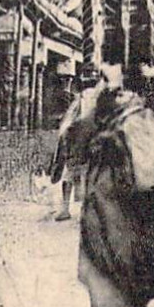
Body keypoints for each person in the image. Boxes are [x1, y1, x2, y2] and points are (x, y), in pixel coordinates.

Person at [76, 86, 154, 307]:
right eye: (122, 94)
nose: (129, 95)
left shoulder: (119, 124)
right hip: (115, 202)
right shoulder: (125, 125)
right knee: (123, 257)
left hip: (111, 199)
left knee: (115, 257)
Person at [52, 63, 104, 221]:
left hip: (80, 142)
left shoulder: (81, 99)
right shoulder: (98, 98)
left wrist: (65, 137)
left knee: (71, 175)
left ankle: (67, 208)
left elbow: (69, 123)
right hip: (92, 141)